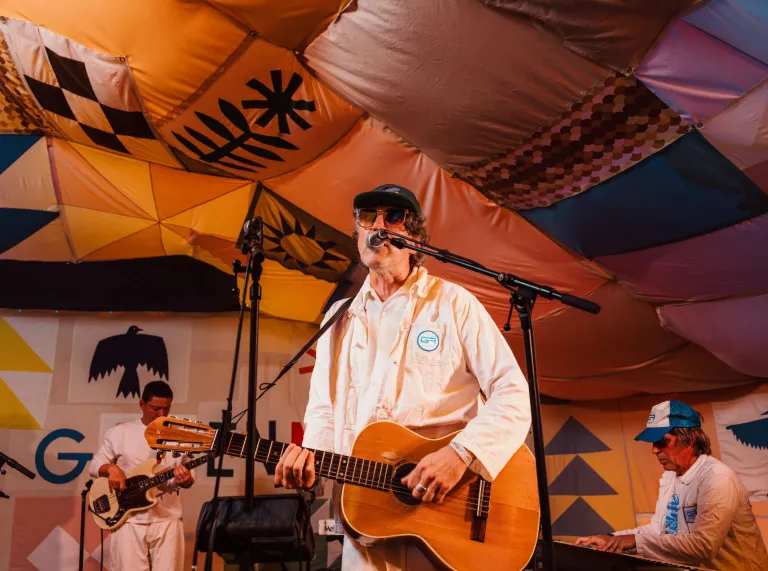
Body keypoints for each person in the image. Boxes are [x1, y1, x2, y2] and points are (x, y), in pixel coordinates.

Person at [274, 183, 532, 570]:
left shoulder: (454, 303)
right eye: (367, 217)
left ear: (416, 241)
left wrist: (461, 455)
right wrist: (311, 463)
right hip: (365, 519)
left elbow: (512, 392)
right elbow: (324, 411)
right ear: (358, 235)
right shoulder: (338, 318)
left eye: (393, 217)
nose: (378, 225)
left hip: (447, 518)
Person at [575, 400, 768, 571]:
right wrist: (611, 538)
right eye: (653, 443)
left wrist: (633, 541)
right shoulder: (670, 477)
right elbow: (658, 530)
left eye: (662, 441)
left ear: (690, 439)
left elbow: (704, 546)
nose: (654, 450)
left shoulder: (717, 477)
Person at [89, 380, 195, 571]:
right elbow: (95, 465)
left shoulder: (181, 436)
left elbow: (189, 476)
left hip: (168, 518)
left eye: (166, 408)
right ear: (142, 404)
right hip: (128, 519)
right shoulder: (119, 433)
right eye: (155, 408)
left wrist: (186, 480)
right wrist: (111, 469)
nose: (161, 414)